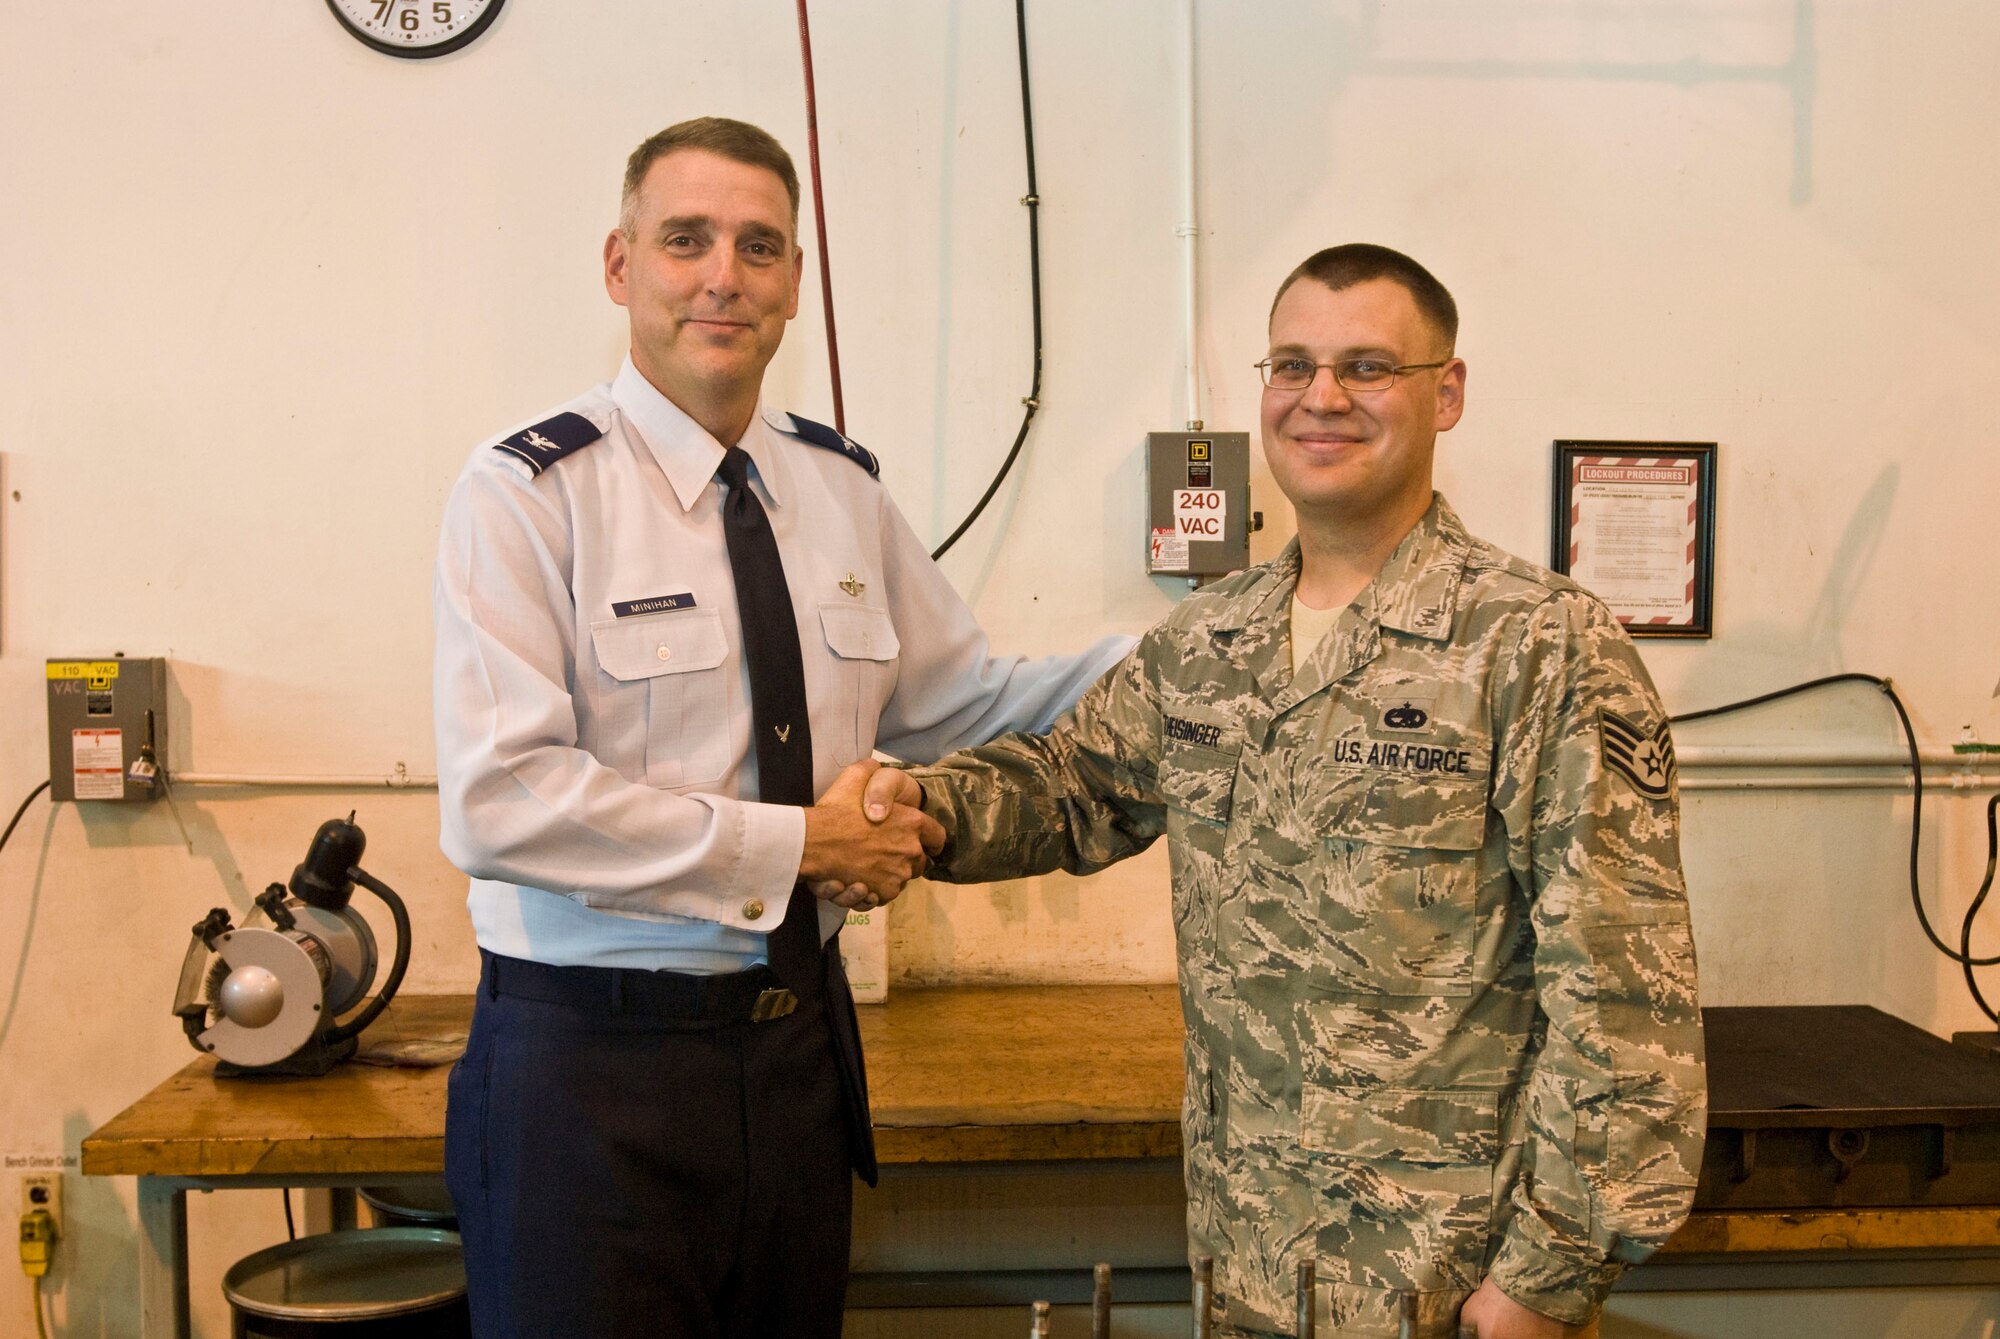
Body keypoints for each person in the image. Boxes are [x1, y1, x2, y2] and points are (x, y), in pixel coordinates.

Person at [850, 245, 1706, 1337]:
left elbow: (1625, 999)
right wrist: (912, 810)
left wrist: (1546, 1276)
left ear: (1444, 392)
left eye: (1366, 367)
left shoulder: (1536, 647)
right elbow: (1072, 785)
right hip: (1247, 1258)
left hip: (1443, 1286)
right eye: (1291, 365)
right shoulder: (1210, 639)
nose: (1322, 399)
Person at [431, 116, 1130, 1339]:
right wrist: (802, 848)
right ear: (619, 265)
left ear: (795, 283)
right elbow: (503, 799)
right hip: (590, 1076)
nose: (722, 276)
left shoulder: (838, 488)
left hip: (795, 1057)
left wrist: (1195, 659)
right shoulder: (526, 493)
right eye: (685, 240)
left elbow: (965, 701)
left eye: (759, 247)